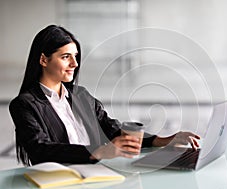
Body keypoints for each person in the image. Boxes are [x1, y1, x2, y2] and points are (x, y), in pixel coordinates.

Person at [9, 25, 200, 166]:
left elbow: (113, 130)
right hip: (61, 183)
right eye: (66, 57)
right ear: (43, 59)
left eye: (76, 56)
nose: (75, 64)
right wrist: (97, 151)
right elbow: (41, 149)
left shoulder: (80, 95)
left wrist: (165, 140)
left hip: (96, 175)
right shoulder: (24, 104)